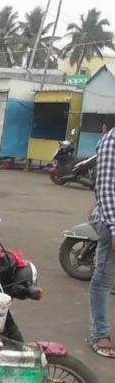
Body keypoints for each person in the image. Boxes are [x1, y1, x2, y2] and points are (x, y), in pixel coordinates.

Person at [88, 126, 115, 358]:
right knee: (103, 280)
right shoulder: (112, 141)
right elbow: (105, 188)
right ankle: (99, 333)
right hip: (111, 222)